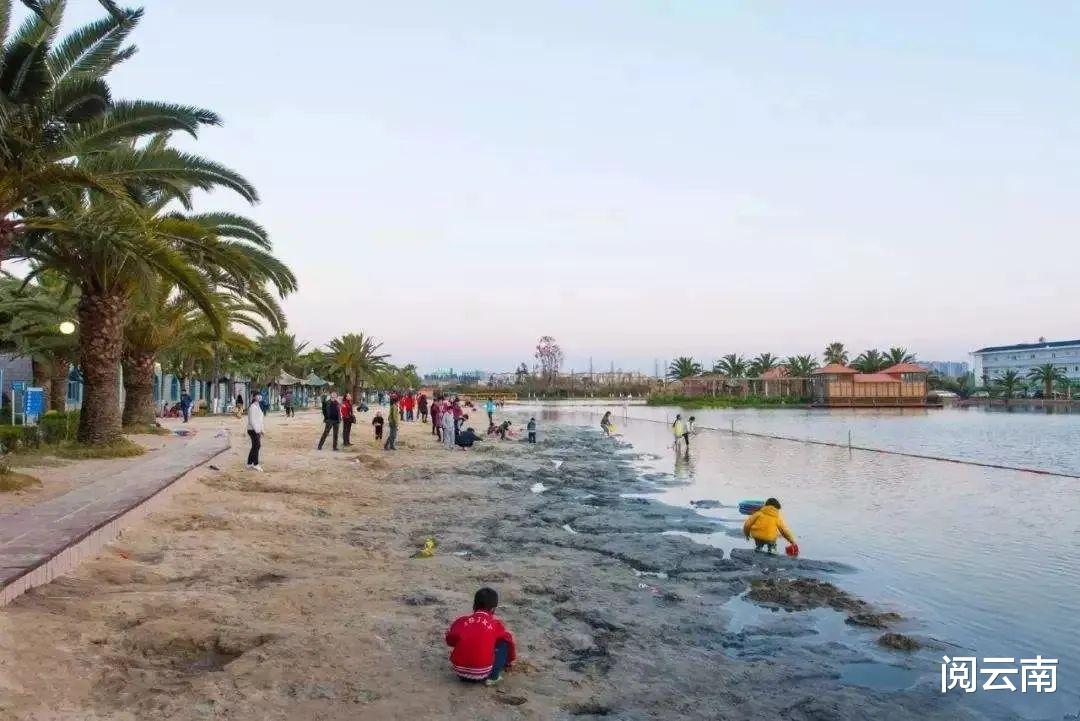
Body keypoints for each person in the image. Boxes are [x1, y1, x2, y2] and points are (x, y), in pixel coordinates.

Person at [446, 587, 516, 686]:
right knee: (504, 642)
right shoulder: (495, 624)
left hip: (459, 672)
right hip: (482, 673)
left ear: (474, 605)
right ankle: (493, 677)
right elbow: (508, 640)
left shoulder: (461, 621)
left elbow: (450, 640)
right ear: (493, 609)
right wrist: (510, 659)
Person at [246, 392, 265, 472]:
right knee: (257, 445)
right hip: (252, 430)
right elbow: (252, 420)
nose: (260, 397)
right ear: (254, 397)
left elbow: (260, 420)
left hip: (257, 429)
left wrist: (262, 429)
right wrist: (257, 430)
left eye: (260, 395)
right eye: (258, 395)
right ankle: (256, 464)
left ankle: (249, 463)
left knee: (255, 446)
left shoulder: (258, 406)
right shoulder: (252, 407)